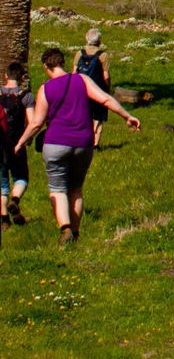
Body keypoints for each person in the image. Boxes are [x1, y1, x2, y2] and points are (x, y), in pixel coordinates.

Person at [14, 49, 141, 245]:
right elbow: (105, 99)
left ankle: (65, 229)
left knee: (57, 189)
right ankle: (75, 232)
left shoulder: (46, 89)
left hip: (55, 143)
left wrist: (21, 142)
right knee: (76, 189)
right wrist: (127, 116)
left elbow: (36, 123)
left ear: (46, 67)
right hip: (83, 143)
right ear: (63, 63)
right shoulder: (81, 80)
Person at [0, 63, 35, 231]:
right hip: (17, 143)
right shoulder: (26, 96)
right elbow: (33, 121)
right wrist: (26, 139)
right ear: (21, 78)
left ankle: (4, 220)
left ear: (6, 76)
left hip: (0, 144)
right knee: (21, 177)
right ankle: (15, 199)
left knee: (2, 182)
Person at [73, 28, 111, 150]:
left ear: (87, 38)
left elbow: (74, 72)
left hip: (81, 89)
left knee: (83, 115)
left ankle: (83, 140)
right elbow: (106, 76)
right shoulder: (103, 55)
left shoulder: (79, 53)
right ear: (99, 40)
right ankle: (95, 144)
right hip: (98, 90)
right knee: (98, 117)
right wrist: (107, 89)